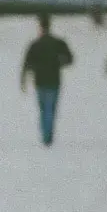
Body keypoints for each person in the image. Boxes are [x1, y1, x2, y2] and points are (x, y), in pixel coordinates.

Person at [21, 13, 73, 146]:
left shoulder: (35, 44)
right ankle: (48, 135)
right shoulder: (58, 43)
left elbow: (27, 63)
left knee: (43, 109)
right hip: (54, 80)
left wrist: (24, 80)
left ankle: (46, 135)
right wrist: (59, 63)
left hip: (40, 81)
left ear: (40, 27)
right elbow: (70, 58)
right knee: (51, 109)